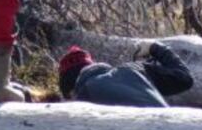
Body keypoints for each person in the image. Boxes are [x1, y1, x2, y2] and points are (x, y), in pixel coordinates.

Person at [58, 42, 194, 107]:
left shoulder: (83, 99)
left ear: (70, 92)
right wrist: (155, 48)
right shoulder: (135, 69)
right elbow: (185, 79)